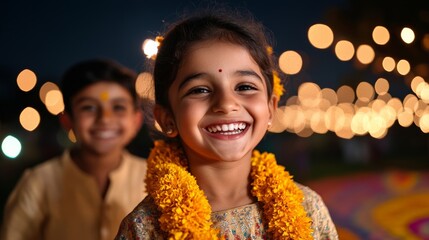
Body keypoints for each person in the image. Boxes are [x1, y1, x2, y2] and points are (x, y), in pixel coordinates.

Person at [115, 9, 338, 240]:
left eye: (244, 87)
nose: (226, 104)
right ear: (167, 119)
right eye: (200, 90)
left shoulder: (308, 209)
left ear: (271, 108)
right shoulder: (144, 228)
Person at [1, 59, 148, 240]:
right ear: (67, 120)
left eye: (118, 107)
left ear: (136, 121)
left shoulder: (152, 179)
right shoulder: (38, 183)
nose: (105, 119)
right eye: (89, 108)